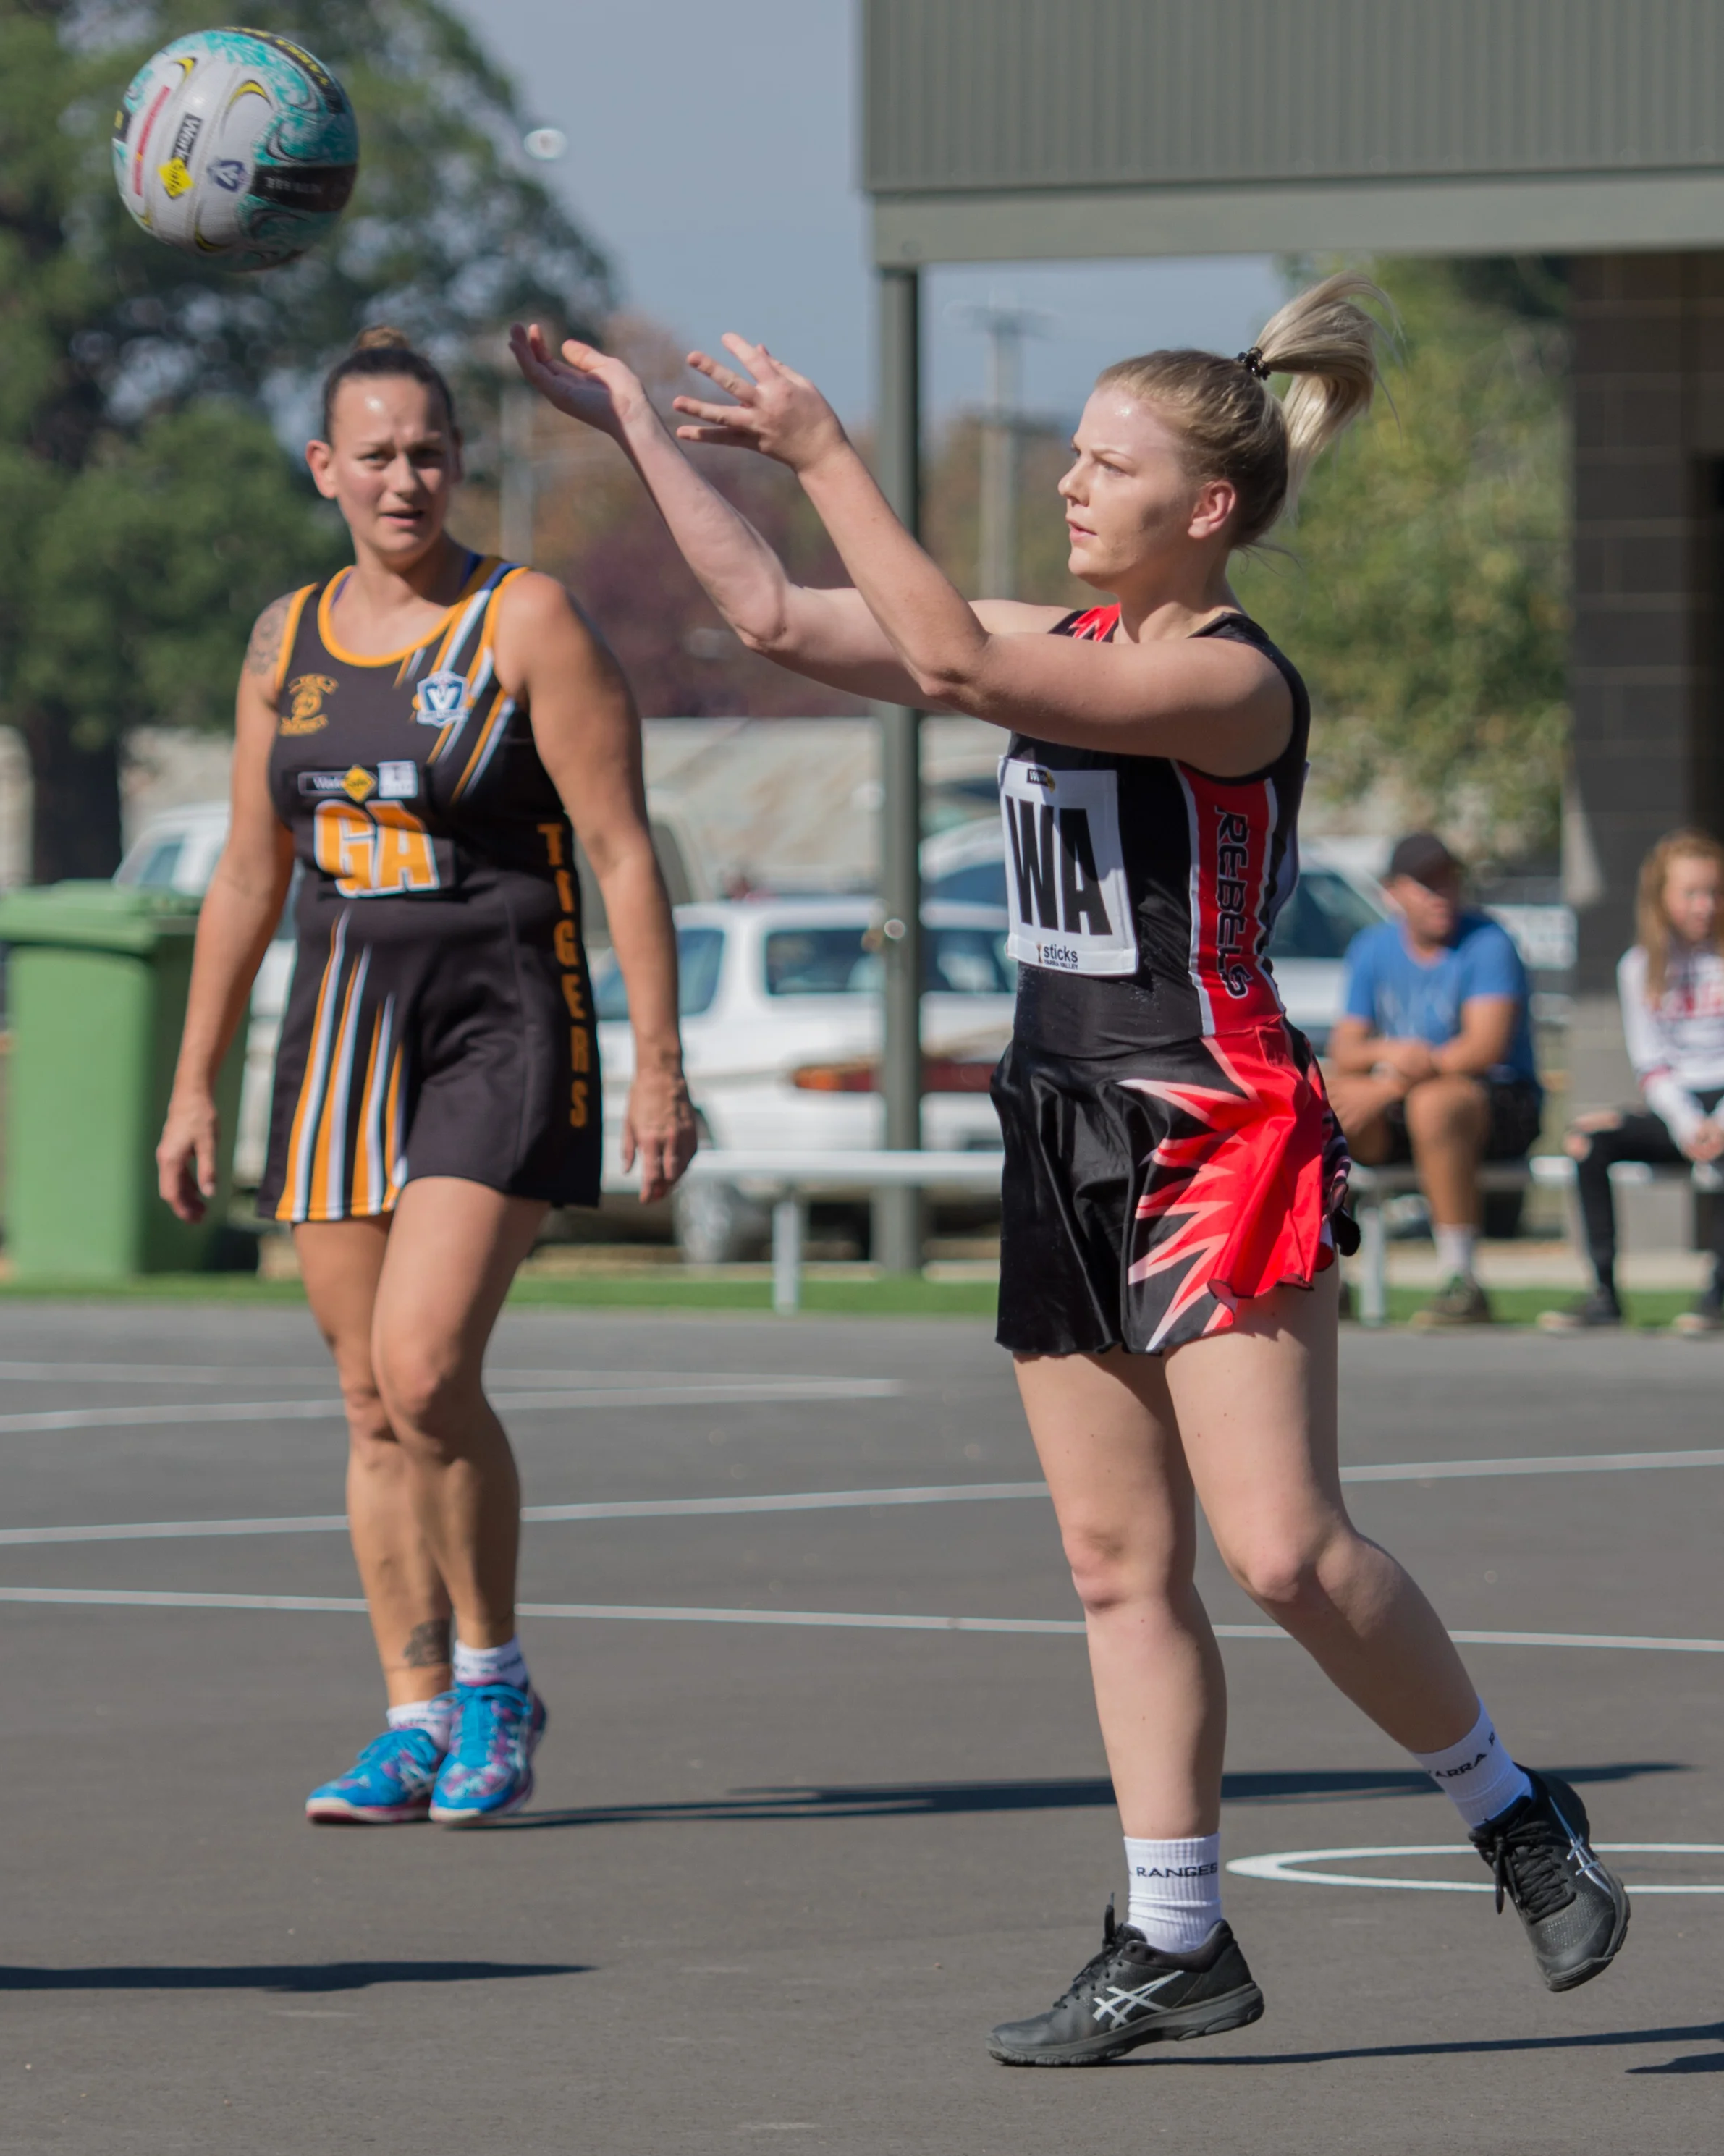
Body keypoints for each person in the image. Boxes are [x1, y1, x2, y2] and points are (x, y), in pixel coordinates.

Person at [507, 274, 1628, 2064]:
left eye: (1106, 465)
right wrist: (644, 430)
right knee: (1116, 1562)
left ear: (1205, 508)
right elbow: (780, 619)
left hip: (1207, 1131)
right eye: (1072, 457)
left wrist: (827, 451)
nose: (1068, 486)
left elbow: (947, 661)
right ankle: (1171, 1931)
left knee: (1277, 1549)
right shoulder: (1071, 639)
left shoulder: (1223, 677)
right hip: (1058, 1123)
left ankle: (1510, 1812)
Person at [156, 326, 696, 1825]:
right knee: (364, 1397)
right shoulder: (286, 640)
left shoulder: (526, 620)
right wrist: (193, 1080)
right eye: (376, 452)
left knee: (426, 1366)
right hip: (340, 1023)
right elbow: (247, 878)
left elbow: (624, 847)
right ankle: (407, 1715)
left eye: (430, 450)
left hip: (501, 1016)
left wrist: (660, 1060)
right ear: (324, 468)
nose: (406, 476)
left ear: (461, 463)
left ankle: (494, 1674)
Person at [1324, 832, 1539, 1327]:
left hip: (1498, 1102)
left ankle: (1461, 1280)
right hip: (1407, 1096)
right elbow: (1348, 1047)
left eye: (1449, 881)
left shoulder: (1489, 942)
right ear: (1392, 891)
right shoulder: (1372, 947)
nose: (1442, 894)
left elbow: (1483, 1048)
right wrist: (1389, 1054)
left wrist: (1386, 1085)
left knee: (1435, 1104)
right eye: (1426, 884)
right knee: (1320, 1098)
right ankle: (1328, 1271)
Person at [1541, 829, 1724, 1335]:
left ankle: (1717, 1295)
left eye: (1714, 892)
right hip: (1678, 1107)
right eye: (1691, 893)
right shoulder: (1639, 967)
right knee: (1586, 1140)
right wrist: (1690, 1124)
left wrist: (1717, 1124)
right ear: (1662, 897)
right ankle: (1604, 1292)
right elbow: (1653, 1064)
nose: (1704, 905)